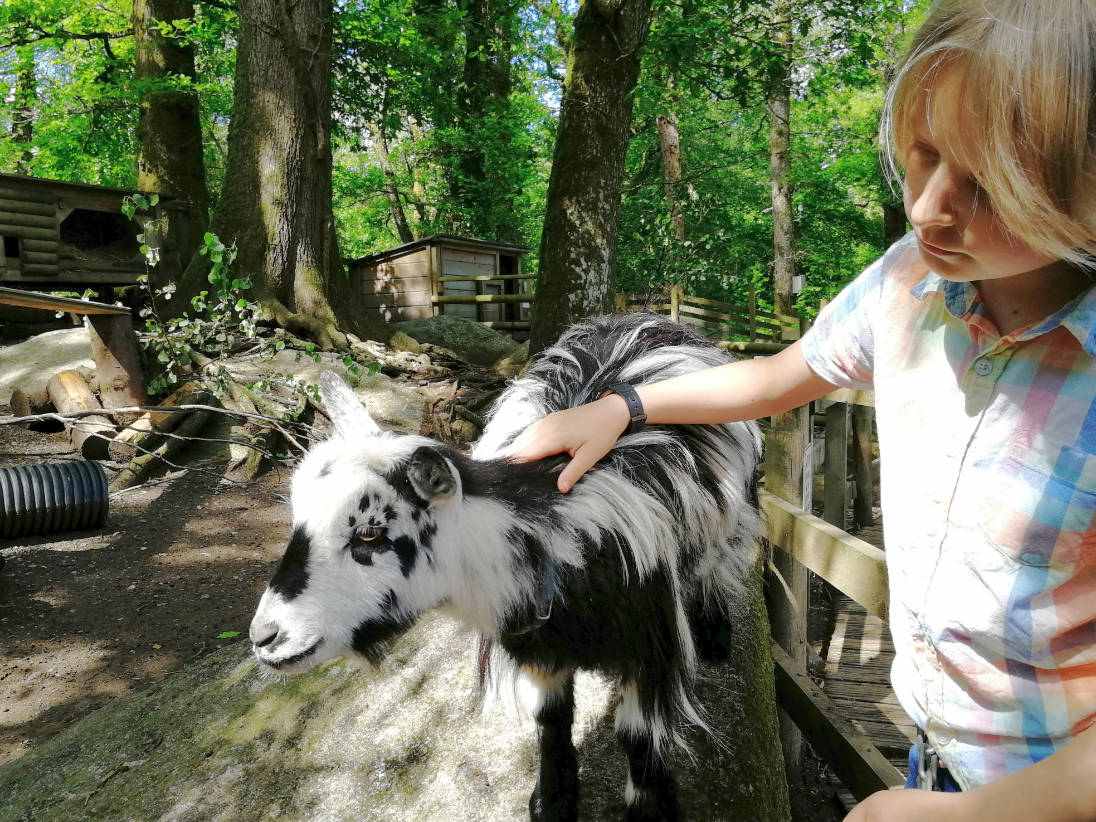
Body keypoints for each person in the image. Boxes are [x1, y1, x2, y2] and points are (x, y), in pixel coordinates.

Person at [506, 2, 1096, 819]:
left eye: (988, 185)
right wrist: (625, 405)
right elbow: (783, 375)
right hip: (936, 743)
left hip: (1049, 781)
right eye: (922, 155)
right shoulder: (906, 282)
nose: (927, 208)